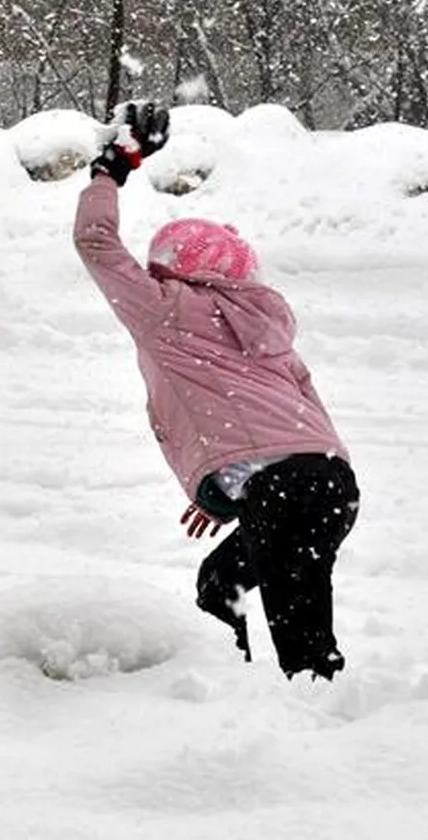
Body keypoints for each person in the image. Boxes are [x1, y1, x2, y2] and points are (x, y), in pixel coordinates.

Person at [72, 103, 359, 681]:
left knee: (301, 639)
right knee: (219, 585)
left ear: (170, 269)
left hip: (279, 488)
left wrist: (113, 169)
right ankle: (232, 690)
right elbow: (307, 413)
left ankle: (322, 734)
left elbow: (95, 242)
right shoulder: (268, 327)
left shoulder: (164, 309)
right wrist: (228, 484)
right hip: (332, 483)